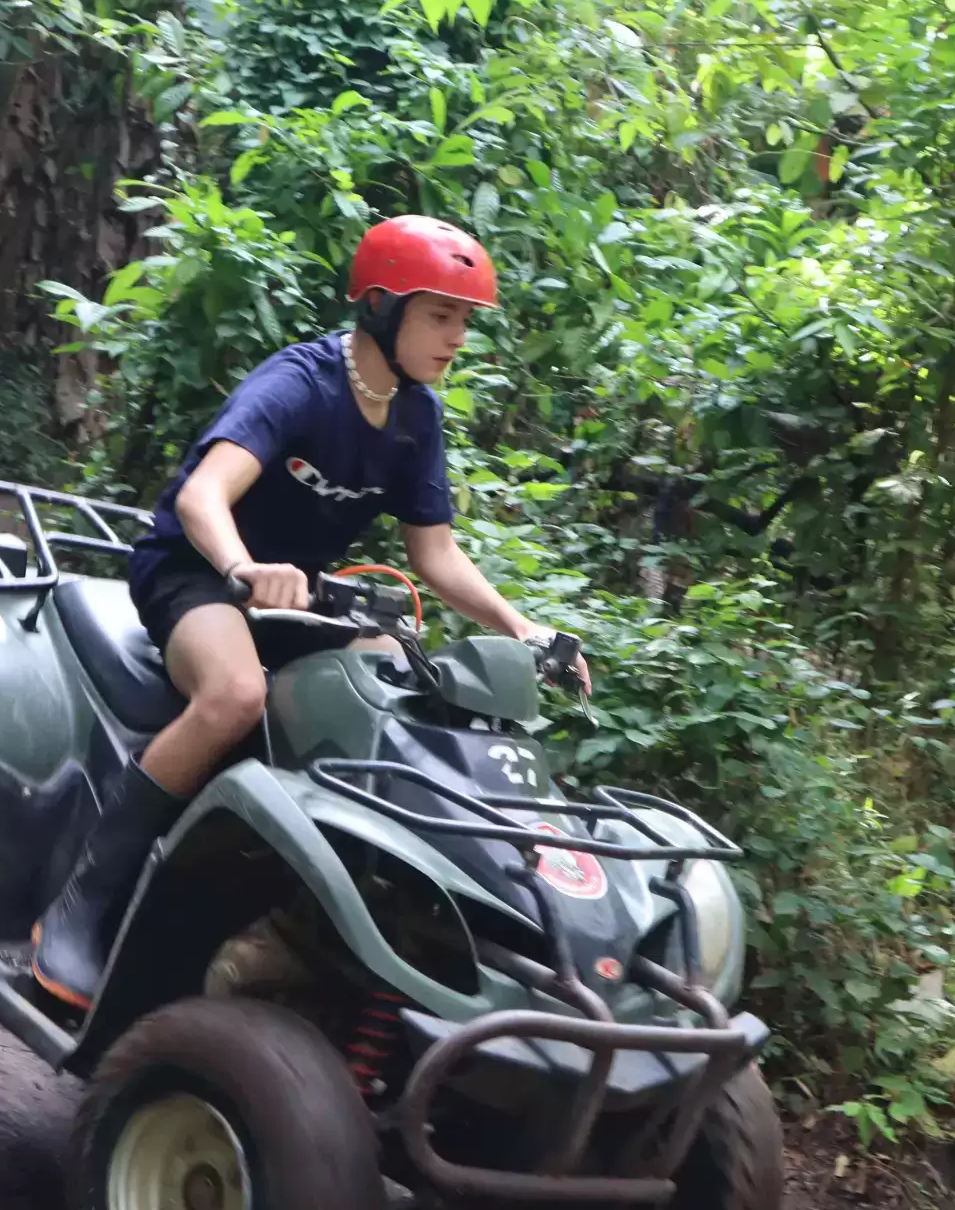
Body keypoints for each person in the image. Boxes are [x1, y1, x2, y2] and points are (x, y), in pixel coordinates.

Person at [32, 214, 590, 1009]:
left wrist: (522, 628)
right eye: (441, 315)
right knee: (236, 695)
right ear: (381, 308)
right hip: (197, 573)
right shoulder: (301, 383)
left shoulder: (416, 416)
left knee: (402, 701)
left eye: (464, 320)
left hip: (303, 600)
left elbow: (435, 555)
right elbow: (201, 496)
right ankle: (83, 901)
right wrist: (242, 568)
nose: (457, 337)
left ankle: (308, 921)